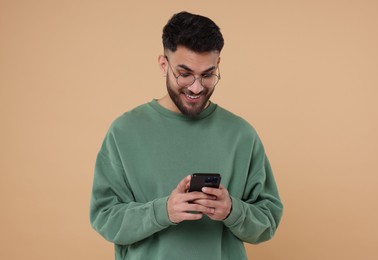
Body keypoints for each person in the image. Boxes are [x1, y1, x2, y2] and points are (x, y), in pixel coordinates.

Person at [90, 11, 283, 260]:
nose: (196, 87)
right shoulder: (124, 132)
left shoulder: (241, 135)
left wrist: (232, 210)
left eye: (207, 75)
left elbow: (268, 221)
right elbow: (104, 217)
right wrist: (164, 211)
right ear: (163, 64)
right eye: (184, 74)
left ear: (218, 66)